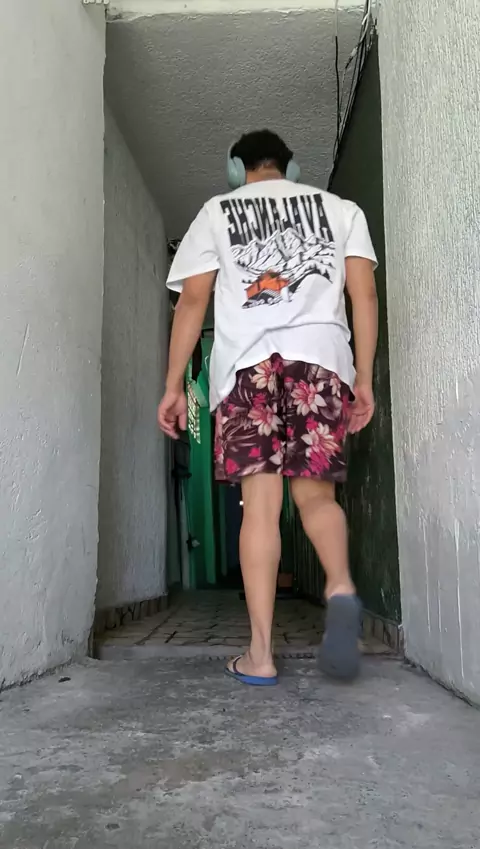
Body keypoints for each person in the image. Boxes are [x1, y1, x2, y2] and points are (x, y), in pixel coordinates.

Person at [158, 129, 378, 686]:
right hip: (320, 365)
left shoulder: (217, 211)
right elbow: (364, 295)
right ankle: (340, 585)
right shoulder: (342, 211)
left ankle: (260, 655)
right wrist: (363, 380)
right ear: (292, 168)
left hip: (247, 370)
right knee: (317, 498)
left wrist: (175, 384)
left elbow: (193, 301)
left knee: (260, 508)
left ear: (237, 170)